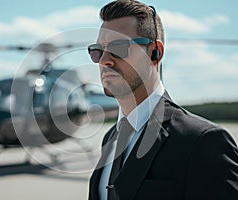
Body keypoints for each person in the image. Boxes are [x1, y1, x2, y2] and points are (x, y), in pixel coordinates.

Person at [87, 0, 238, 199]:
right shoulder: (111, 139)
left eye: (118, 47)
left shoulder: (204, 142)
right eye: (98, 51)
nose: (105, 60)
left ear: (155, 53)